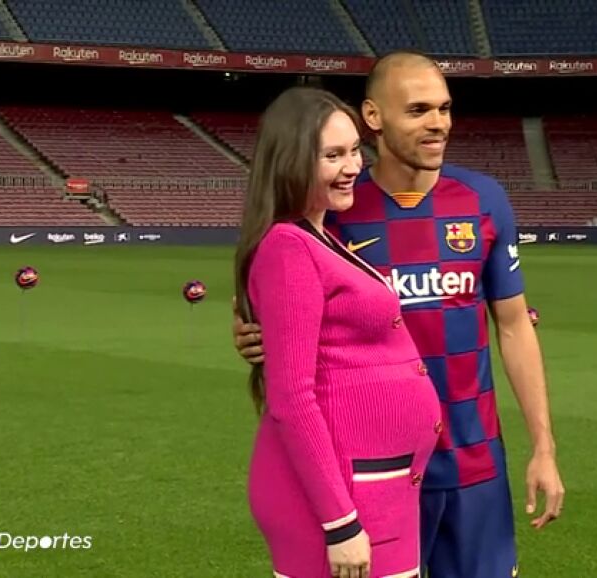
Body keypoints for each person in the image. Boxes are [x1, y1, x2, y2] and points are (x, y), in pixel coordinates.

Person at [234, 52, 566, 577]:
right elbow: (277, 290)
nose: (438, 123)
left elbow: (513, 325)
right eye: (417, 110)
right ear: (373, 116)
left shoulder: (483, 200)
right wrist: (252, 333)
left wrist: (543, 446)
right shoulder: (334, 207)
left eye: (444, 108)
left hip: (472, 456)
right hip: (373, 467)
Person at [237, 86, 441, 578]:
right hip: (345, 500)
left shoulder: (321, 236)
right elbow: (291, 397)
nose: (352, 166)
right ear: (291, 162)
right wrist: (341, 523)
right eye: (333, 155)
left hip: (376, 486)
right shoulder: (288, 247)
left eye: (354, 150)